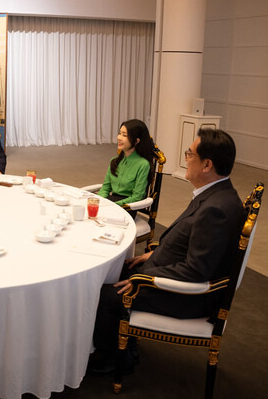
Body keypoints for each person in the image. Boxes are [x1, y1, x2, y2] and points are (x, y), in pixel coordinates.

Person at [89, 128, 245, 374]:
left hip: (189, 297)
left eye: (189, 153)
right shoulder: (217, 194)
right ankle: (125, 344)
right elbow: (196, 246)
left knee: (105, 294)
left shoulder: (216, 209)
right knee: (113, 271)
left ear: (207, 165)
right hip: (169, 269)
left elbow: (197, 270)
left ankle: (112, 359)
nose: (185, 159)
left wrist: (144, 279)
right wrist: (155, 254)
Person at [97, 119, 155, 208]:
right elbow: (105, 188)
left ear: (136, 141)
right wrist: (98, 201)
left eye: (124, 135)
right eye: (119, 133)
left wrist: (114, 205)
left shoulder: (143, 165)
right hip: (111, 202)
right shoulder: (114, 161)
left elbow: (137, 197)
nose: (119, 138)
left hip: (128, 207)